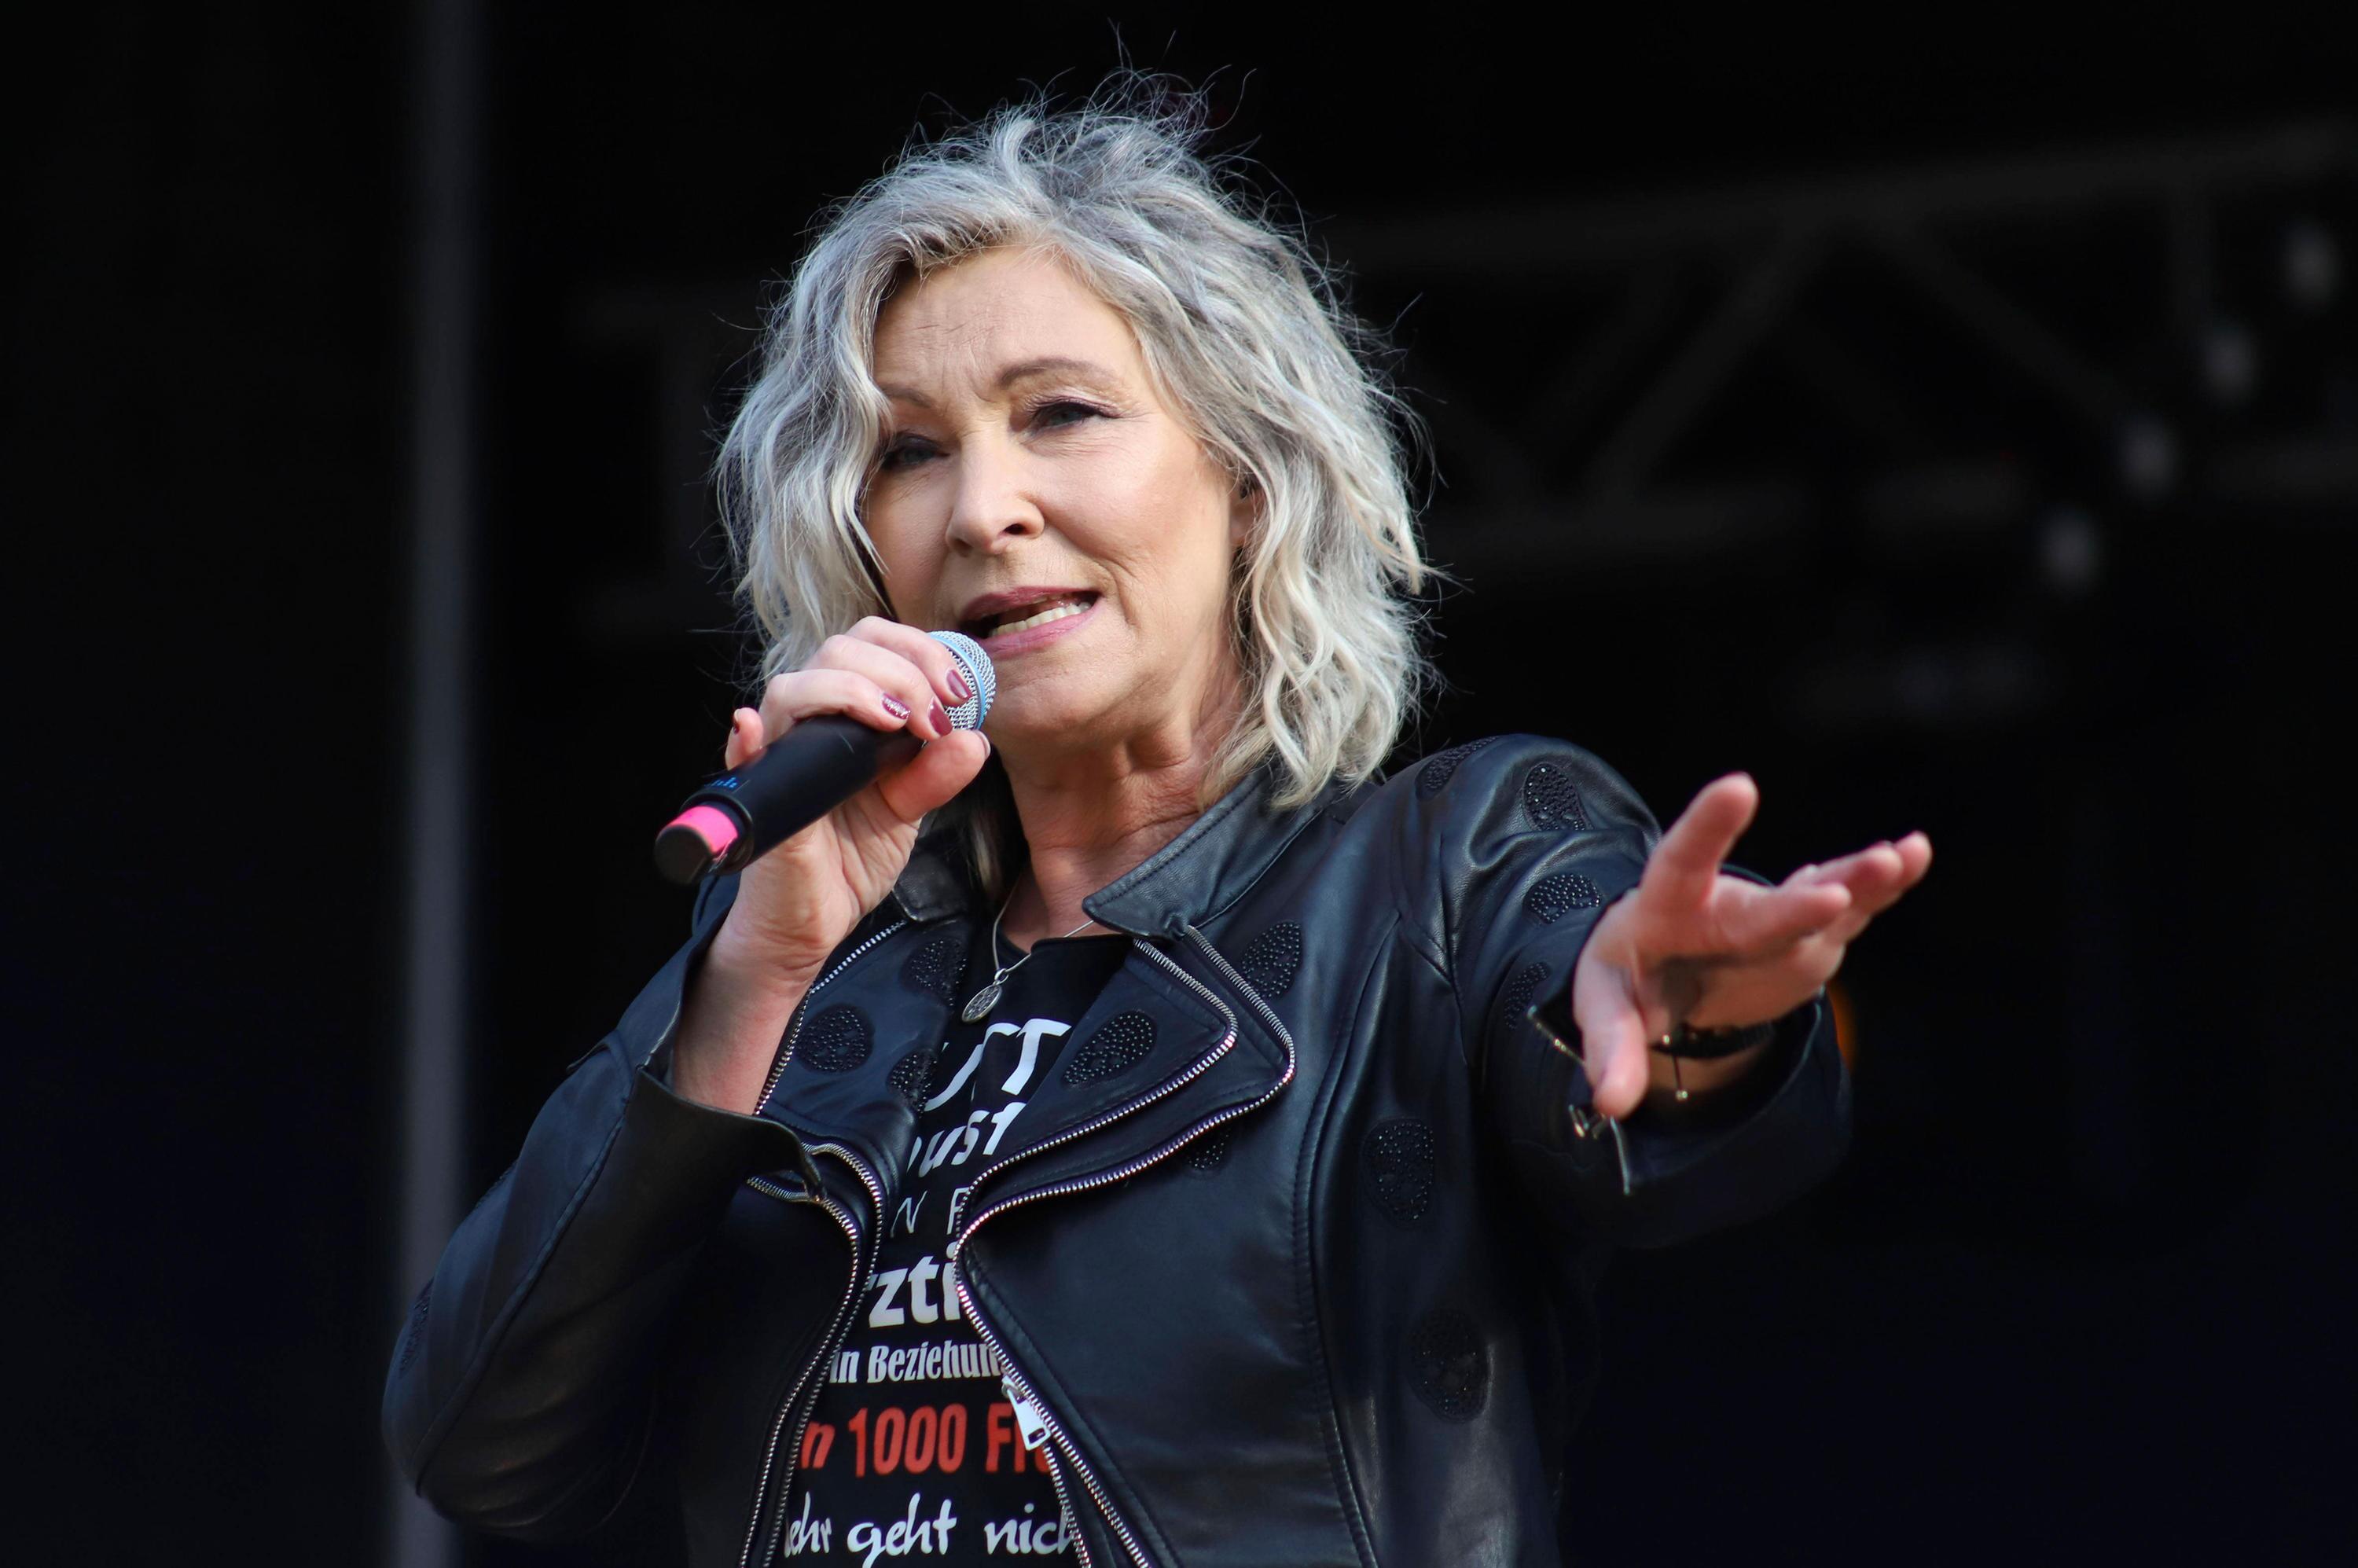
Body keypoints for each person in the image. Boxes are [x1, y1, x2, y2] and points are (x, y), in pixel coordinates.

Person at [383, 83, 1931, 1567]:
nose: (981, 506)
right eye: (911, 450)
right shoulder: (812, 962)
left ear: (1247, 477)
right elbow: (483, 1442)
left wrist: (1687, 1022)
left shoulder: (1442, 871)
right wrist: (756, 977)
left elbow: (1645, 1082)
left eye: (1059, 413)